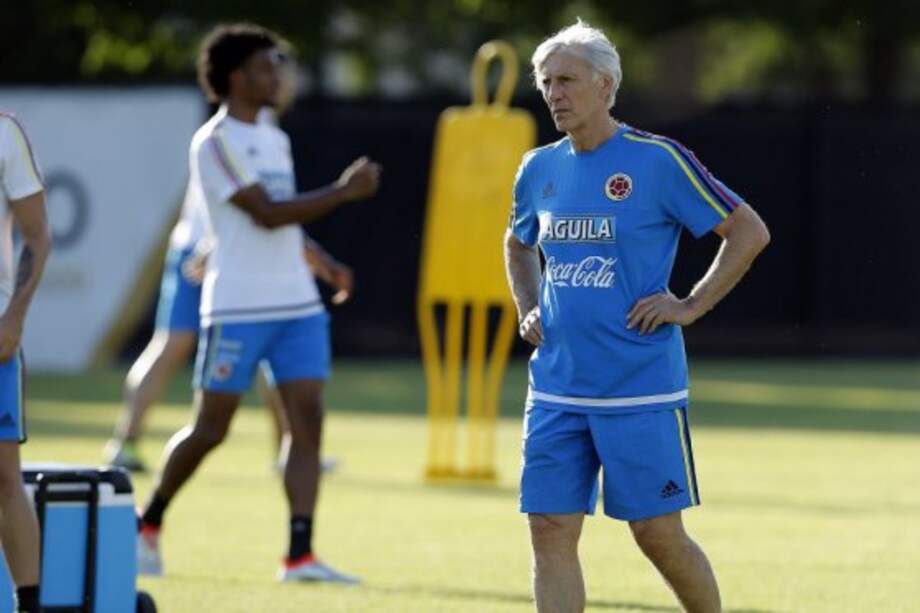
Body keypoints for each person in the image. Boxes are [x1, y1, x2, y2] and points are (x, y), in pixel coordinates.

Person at [504, 20, 770, 613]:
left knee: (656, 535)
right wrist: (528, 305)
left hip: (639, 388)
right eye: (546, 82)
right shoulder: (537, 168)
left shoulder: (658, 160)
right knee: (549, 529)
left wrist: (691, 304)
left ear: (605, 85)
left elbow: (748, 231)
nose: (554, 94)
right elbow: (518, 243)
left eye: (567, 80)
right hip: (556, 387)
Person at [136, 23, 381, 583]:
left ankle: (299, 555)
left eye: (277, 66)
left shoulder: (274, 138)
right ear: (235, 77)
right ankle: (147, 523)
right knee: (211, 428)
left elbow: (284, 220)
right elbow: (266, 213)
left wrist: (320, 261)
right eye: (266, 67)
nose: (277, 77)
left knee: (307, 420)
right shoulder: (214, 141)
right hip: (237, 307)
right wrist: (344, 192)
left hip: (296, 305)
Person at [103, 50, 351, 474]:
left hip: (241, 255)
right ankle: (124, 442)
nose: (283, 82)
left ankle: (289, 450)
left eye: (283, 73)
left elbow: (275, 210)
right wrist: (209, 246)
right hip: (204, 250)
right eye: (275, 72)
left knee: (276, 347)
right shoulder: (228, 130)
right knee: (173, 344)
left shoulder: (268, 131)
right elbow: (240, 205)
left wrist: (315, 256)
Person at [0, 112, 52, 612]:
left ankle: (28, 606)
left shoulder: (4, 132)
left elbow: (37, 235)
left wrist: (14, 318)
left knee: (3, 476)